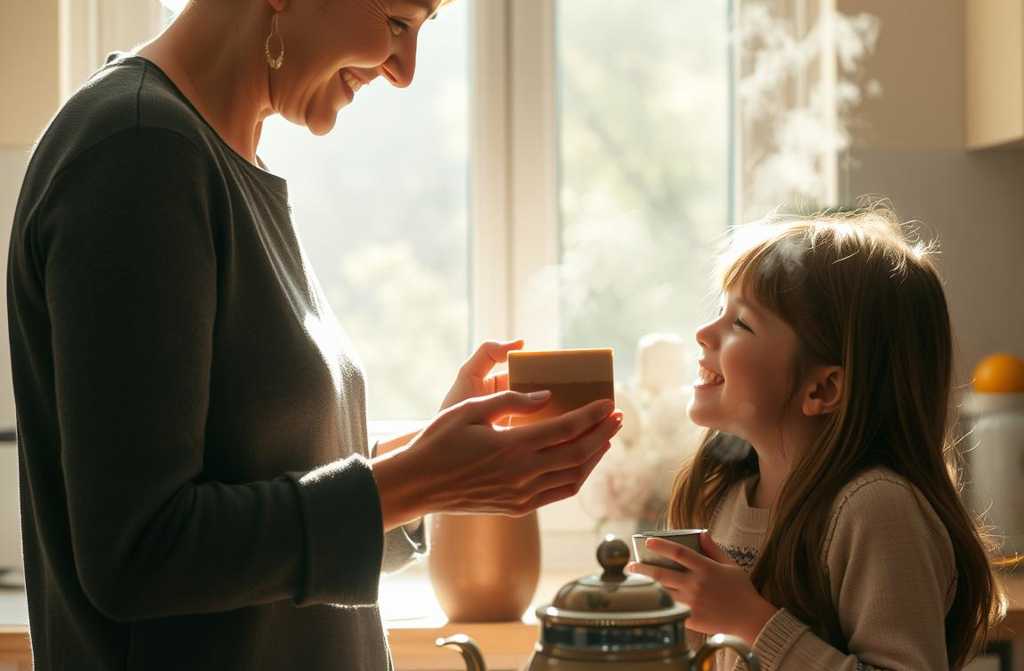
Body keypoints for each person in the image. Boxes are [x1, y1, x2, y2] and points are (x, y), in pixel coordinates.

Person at [6, 1, 622, 669]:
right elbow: (140, 553)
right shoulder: (139, 153)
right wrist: (415, 481)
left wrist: (436, 461)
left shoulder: (215, 155)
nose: (405, 70)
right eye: (396, 21)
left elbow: (263, 488)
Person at [626, 210, 1006, 670]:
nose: (704, 334)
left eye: (741, 324)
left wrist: (752, 620)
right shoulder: (723, 497)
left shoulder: (876, 509)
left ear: (822, 389)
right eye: (719, 311)